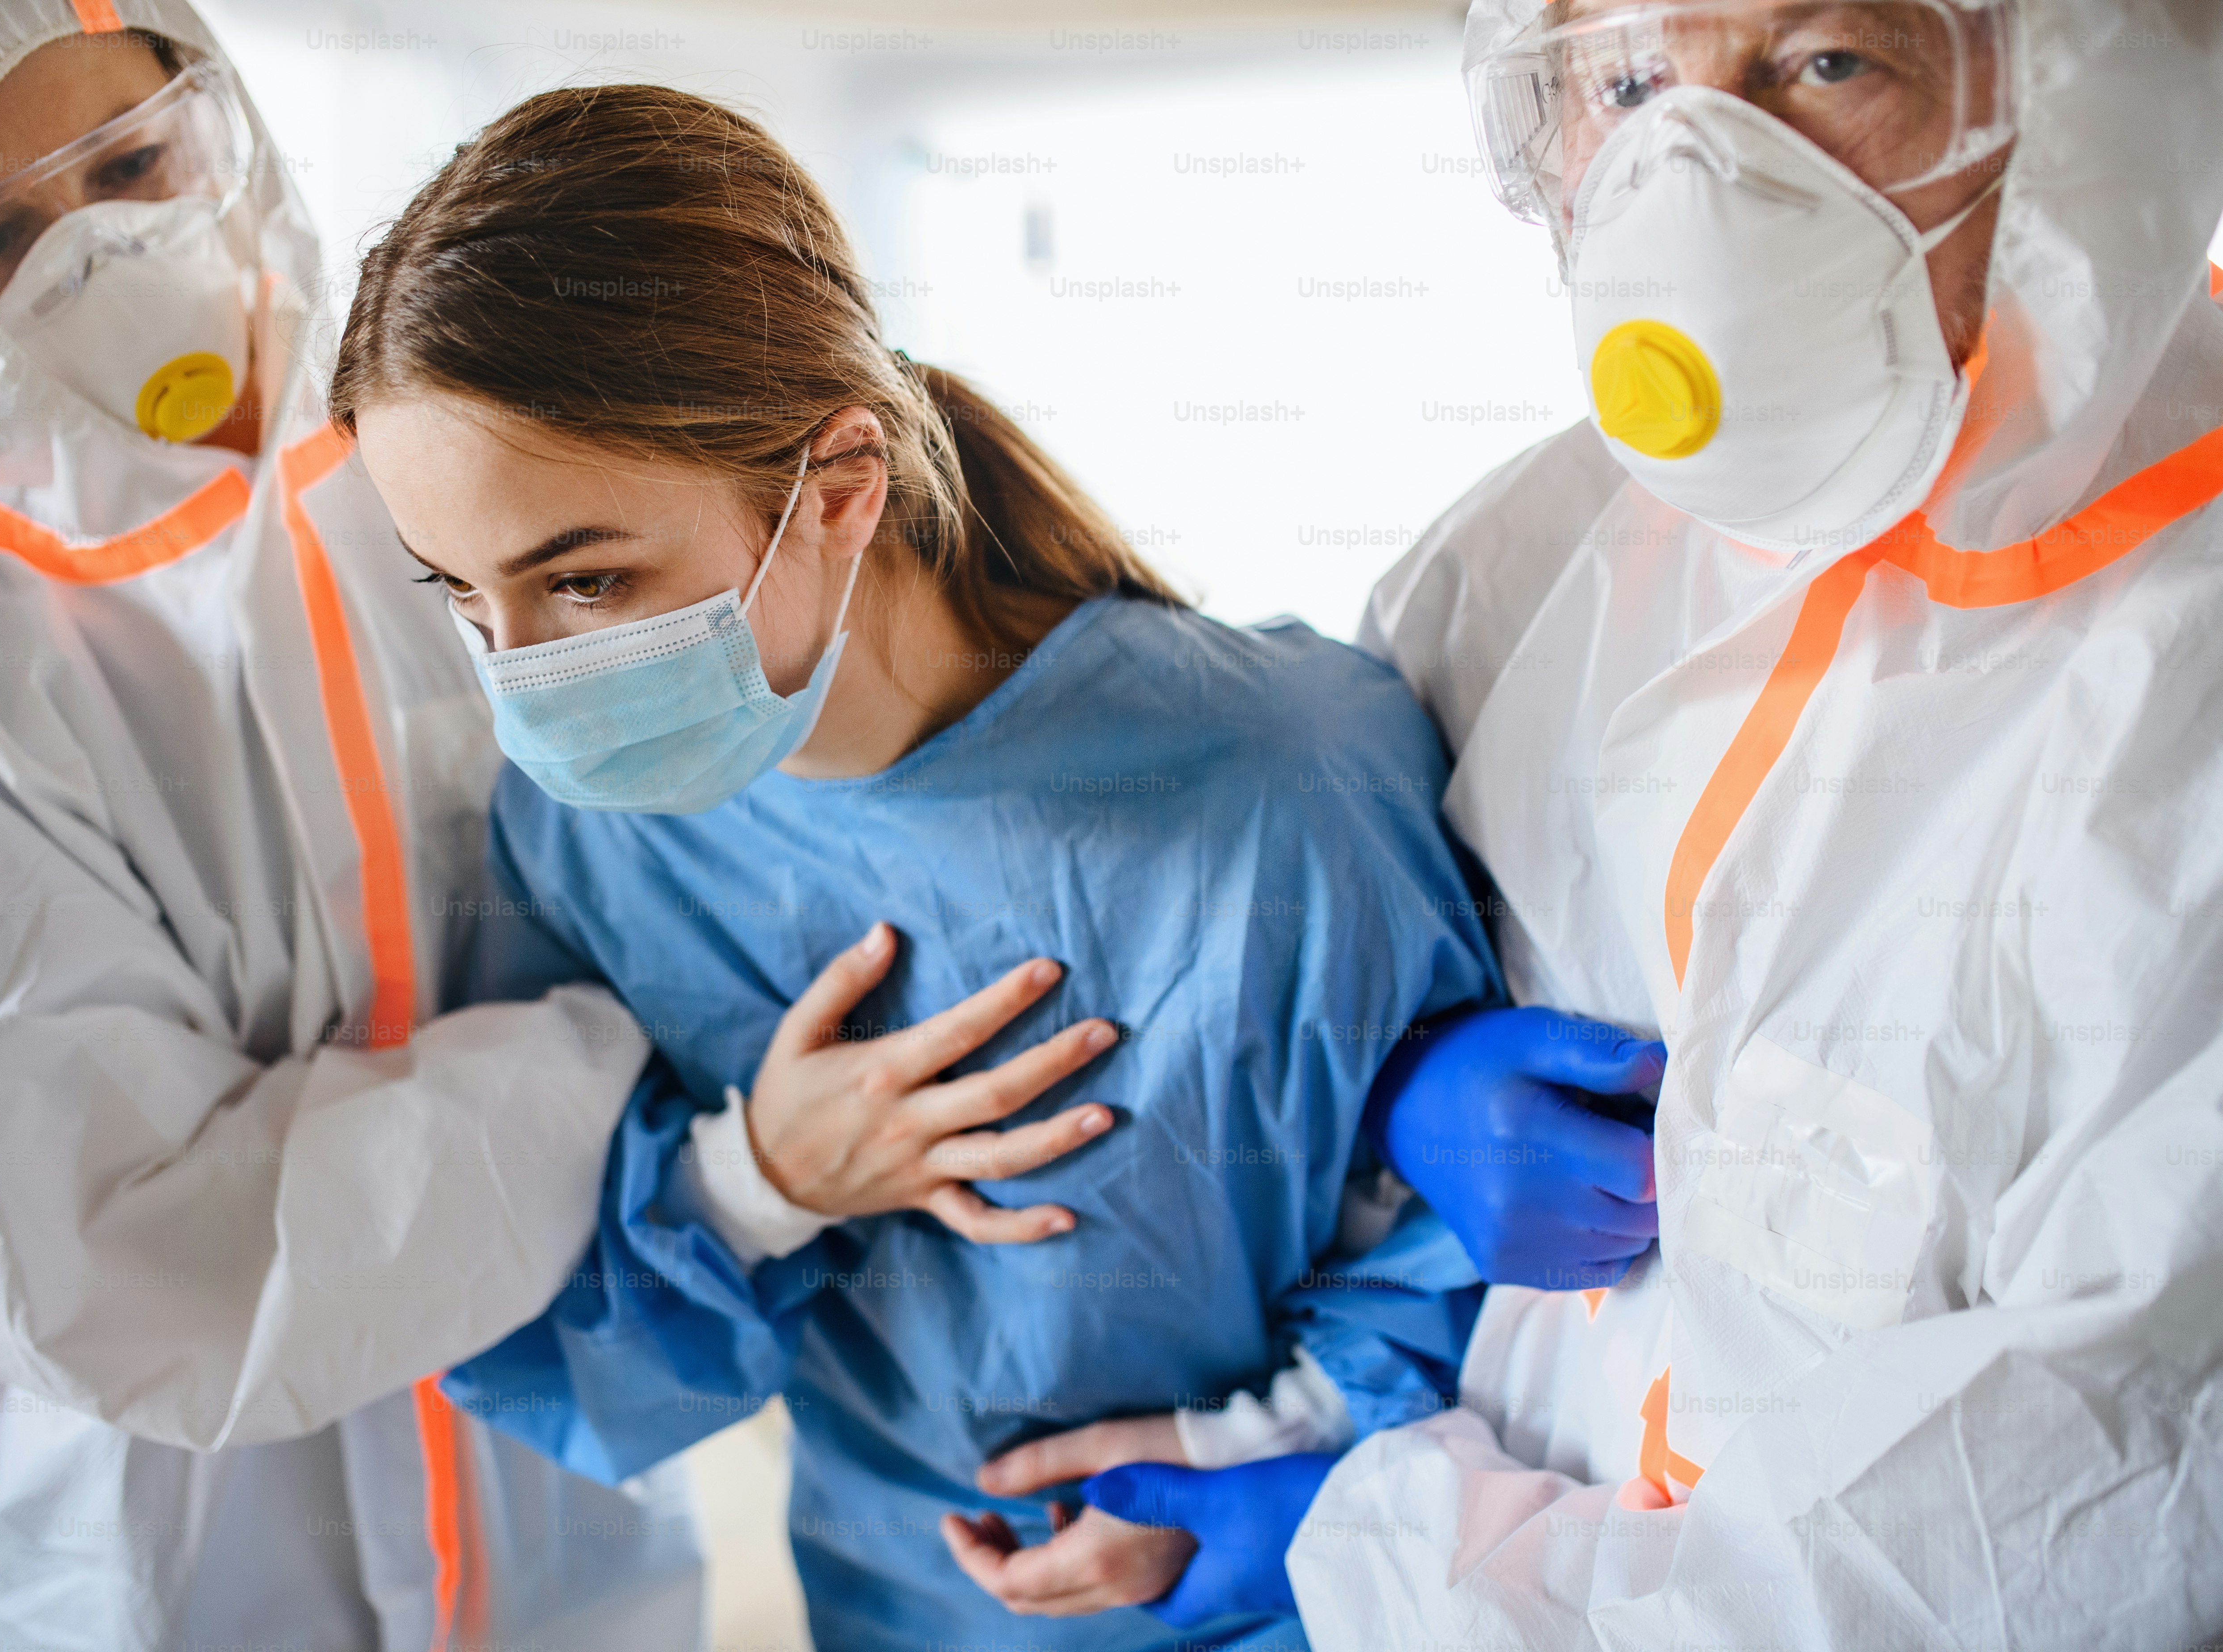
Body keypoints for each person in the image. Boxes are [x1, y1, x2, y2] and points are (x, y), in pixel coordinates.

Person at [0, 8, 1118, 1648]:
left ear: (221, 111)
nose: (103, 254)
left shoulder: (464, 481)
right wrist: (671, 1134)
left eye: (131, 166)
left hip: (570, 1503)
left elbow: (746, 873)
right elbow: (120, 1266)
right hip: (177, 1566)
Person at [324, 83, 1665, 1652]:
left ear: (836, 488)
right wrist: (762, 1182)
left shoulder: (1281, 779)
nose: (525, 678)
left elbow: (1473, 1282)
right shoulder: (585, 843)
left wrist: (1254, 1461)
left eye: (589, 581)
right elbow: (552, 1333)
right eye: (463, 602)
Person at [1062, 0, 2223, 1644]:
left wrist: (1386, 1557)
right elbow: (1282, 1052)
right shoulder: (1516, 567)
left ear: (2083, 102)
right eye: (1623, 82)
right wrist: (1386, 1096)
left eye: (1826, 62)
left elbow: (2077, 1522)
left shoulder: (2187, 682)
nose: (1688, 176)